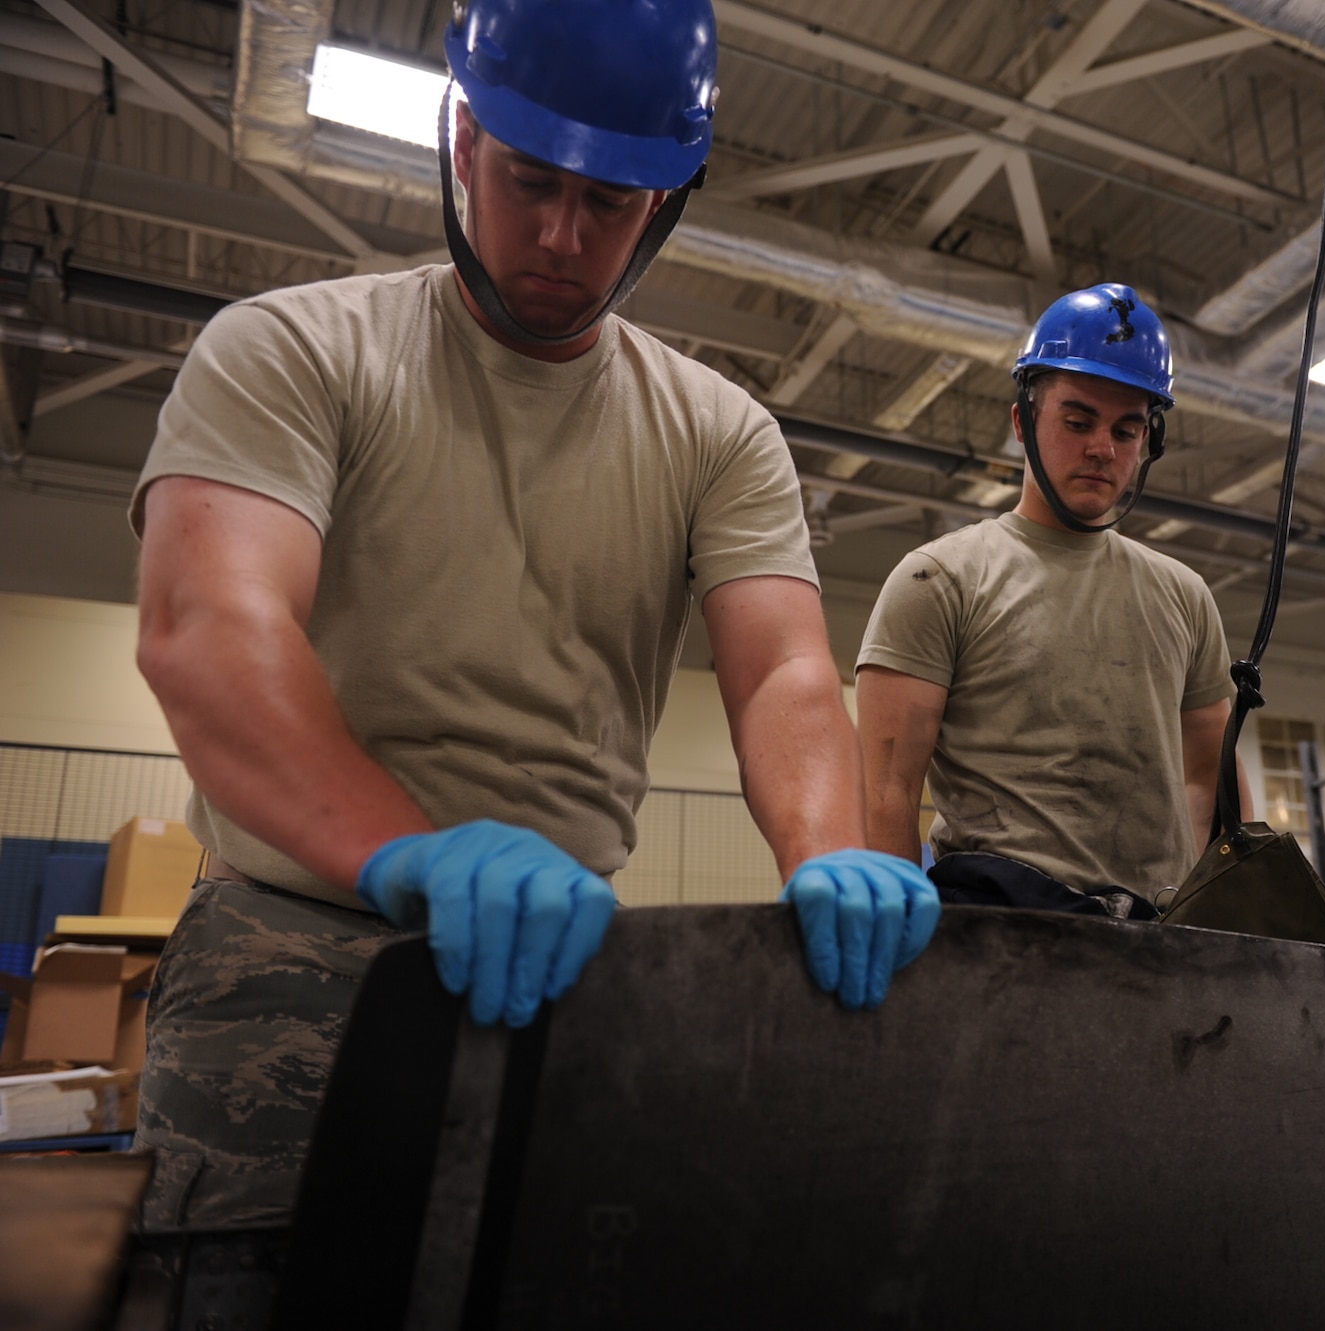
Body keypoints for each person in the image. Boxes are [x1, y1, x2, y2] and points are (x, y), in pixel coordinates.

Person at [127, 0, 935, 1230]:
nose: (560, 232)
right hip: (284, 953)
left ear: (660, 203)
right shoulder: (294, 349)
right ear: (462, 142)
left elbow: (780, 672)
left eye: (609, 200)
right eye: (528, 176)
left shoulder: (719, 434)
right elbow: (210, 628)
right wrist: (412, 851)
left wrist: (828, 854)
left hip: (568, 971)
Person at [854, 284, 1237, 918]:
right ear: (1022, 422)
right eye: (1078, 420)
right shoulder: (940, 578)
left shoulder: (1185, 595)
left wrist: (1219, 922)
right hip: (999, 928)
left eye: (1127, 429)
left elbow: (1209, 780)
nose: (1102, 448)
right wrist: (907, 946)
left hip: (1158, 942)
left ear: (1149, 441)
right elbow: (887, 790)